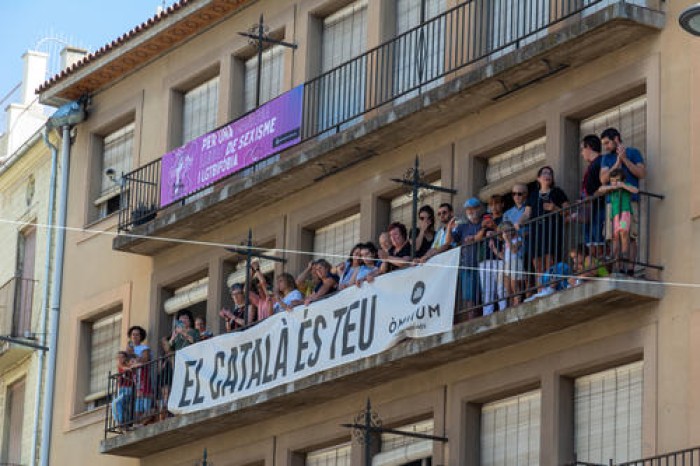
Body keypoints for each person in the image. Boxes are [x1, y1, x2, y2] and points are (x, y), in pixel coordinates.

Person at [599, 127, 646, 268]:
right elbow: (603, 179)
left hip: (630, 203)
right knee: (614, 236)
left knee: (631, 236)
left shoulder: (634, 153)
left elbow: (641, 173)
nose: (606, 147)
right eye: (604, 144)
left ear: (616, 139)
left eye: (607, 143)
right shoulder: (606, 158)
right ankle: (618, 268)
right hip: (611, 204)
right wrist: (617, 163)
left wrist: (625, 159)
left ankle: (630, 269)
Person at [517, 166, 570, 283]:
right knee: (537, 264)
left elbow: (567, 211)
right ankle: (541, 290)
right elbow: (526, 213)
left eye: (550, 174)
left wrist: (554, 208)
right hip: (535, 232)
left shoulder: (558, 192)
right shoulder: (533, 195)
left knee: (550, 261)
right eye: (545, 173)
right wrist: (518, 222)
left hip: (552, 230)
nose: (548, 175)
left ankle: (551, 287)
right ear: (538, 178)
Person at [445, 197, 487, 314]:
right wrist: (449, 227)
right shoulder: (463, 226)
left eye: (472, 208)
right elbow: (448, 241)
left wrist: (474, 237)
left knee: (485, 295)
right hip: (468, 266)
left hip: (483, 264)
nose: (470, 211)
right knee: (470, 299)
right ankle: (473, 324)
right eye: (468, 209)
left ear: (479, 208)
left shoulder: (485, 220)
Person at [598, 168, 639, 270]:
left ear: (622, 180)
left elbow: (635, 190)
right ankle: (618, 265)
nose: (615, 183)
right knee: (615, 238)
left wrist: (623, 186)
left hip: (625, 213)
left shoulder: (625, 186)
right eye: (612, 180)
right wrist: (610, 187)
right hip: (614, 216)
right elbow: (600, 189)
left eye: (617, 180)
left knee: (624, 232)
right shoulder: (611, 189)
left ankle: (624, 256)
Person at [579, 135, 606, 253]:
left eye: (582, 149)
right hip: (592, 209)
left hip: (600, 207)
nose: (581, 153)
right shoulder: (593, 164)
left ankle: (604, 271)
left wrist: (589, 198)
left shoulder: (601, 161)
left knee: (600, 243)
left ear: (589, 147)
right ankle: (597, 270)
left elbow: (604, 185)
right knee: (591, 244)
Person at [491, 221, 524, 306]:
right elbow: (503, 256)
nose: (505, 233)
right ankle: (511, 304)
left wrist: (507, 239)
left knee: (514, 285)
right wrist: (494, 249)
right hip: (507, 264)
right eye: (504, 231)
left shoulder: (518, 239)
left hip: (515, 262)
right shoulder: (505, 243)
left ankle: (518, 302)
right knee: (507, 287)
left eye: (507, 230)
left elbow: (514, 250)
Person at [125, 325, 152, 421]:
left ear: (141, 337)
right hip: (133, 377)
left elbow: (145, 359)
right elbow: (125, 363)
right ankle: (137, 419)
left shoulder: (144, 348)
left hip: (143, 374)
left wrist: (134, 356)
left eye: (137, 335)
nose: (135, 337)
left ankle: (146, 415)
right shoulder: (127, 350)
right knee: (137, 397)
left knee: (144, 393)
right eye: (133, 335)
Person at [111, 351, 134, 428]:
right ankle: (121, 422)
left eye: (122, 357)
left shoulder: (128, 365)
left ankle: (120, 421)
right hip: (122, 389)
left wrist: (129, 367)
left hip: (128, 389)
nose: (120, 359)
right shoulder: (120, 366)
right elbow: (124, 368)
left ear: (125, 358)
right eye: (118, 357)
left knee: (115, 403)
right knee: (121, 405)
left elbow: (130, 369)